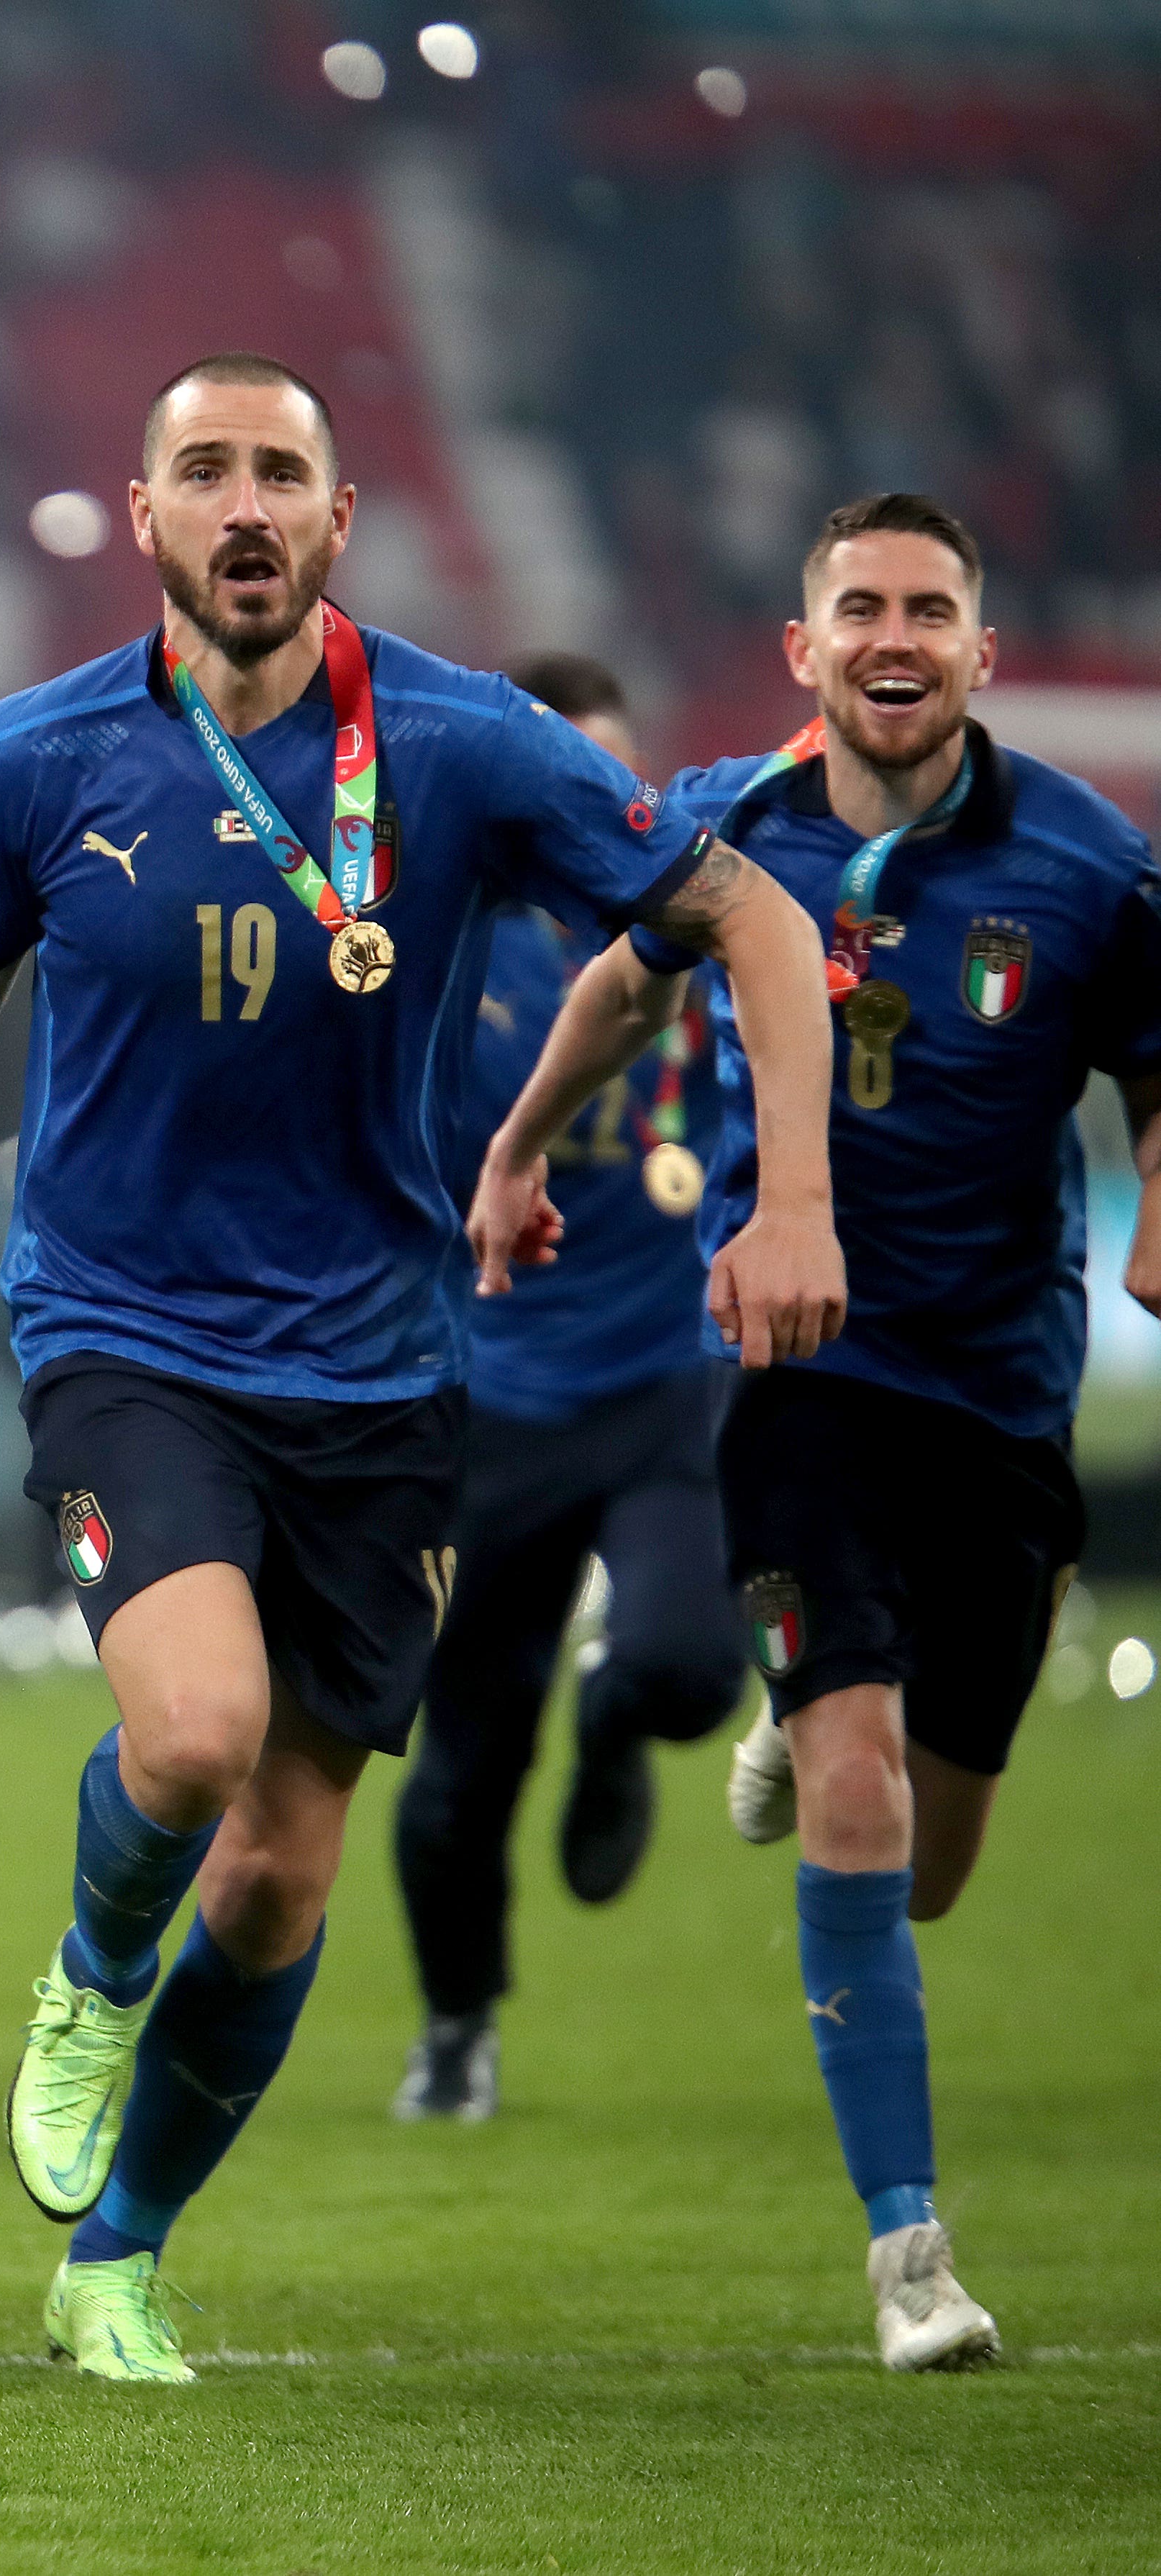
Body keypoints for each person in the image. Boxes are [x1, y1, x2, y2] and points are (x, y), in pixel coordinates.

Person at [0, 354, 845, 2382]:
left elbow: (753, 919)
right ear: (142, 516)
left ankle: (121, 2254)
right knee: (188, 1739)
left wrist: (795, 1203)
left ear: (338, 524)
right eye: (204, 475)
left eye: (281, 477)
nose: (243, 509)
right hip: (122, 1329)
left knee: (280, 1867)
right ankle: (85, 1975)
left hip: (382, 1365)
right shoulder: (34, 753)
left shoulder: (464, 741)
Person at [469, 492, 1161, 2369]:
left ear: (980, 653)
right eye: (859, 603)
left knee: (929, 1860)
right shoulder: (724, 825)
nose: (894, 635)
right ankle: (908, 2252)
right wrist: (522, 1145)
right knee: (852, 1793)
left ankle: (807, 1697)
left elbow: (1157, 1058)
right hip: (795, 1372)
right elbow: (622, 981)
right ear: (803, 647)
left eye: (931, 608)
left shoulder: (1088, 865)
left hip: (1004, 1395)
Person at [388, 653, 750, 2122]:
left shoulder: (709, 933)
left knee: (687, 1669)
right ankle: (458, 2022)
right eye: (569, 780)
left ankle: (617, 1723)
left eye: (623, 783)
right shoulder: (442, 952)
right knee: (463, 1761)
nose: (602, 810)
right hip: (493, 1395)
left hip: (670, 1375)